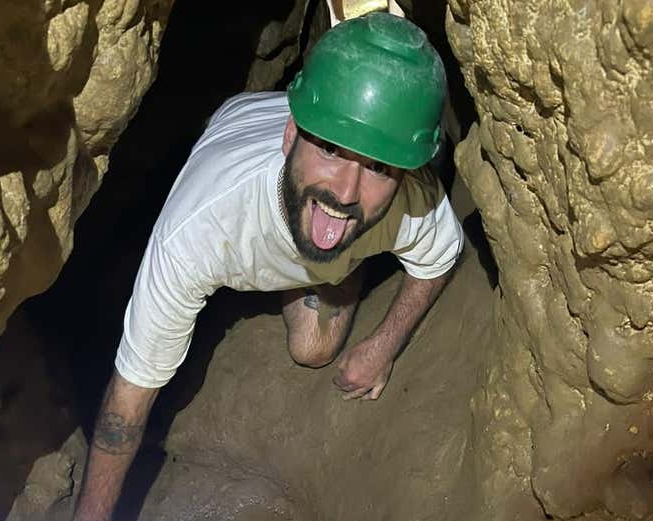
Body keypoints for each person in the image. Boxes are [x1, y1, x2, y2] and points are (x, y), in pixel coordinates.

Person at [73, 13, 463, 521]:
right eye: (329, 150)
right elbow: (125, 406)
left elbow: (439, 258)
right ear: (291, 137)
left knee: (314, 347)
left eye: (378, 167)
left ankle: (332, 261)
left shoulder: (412, 201)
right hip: (236, 122)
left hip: (317, 133)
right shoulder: (201, 228)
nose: (346, 192)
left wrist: (383, 348)